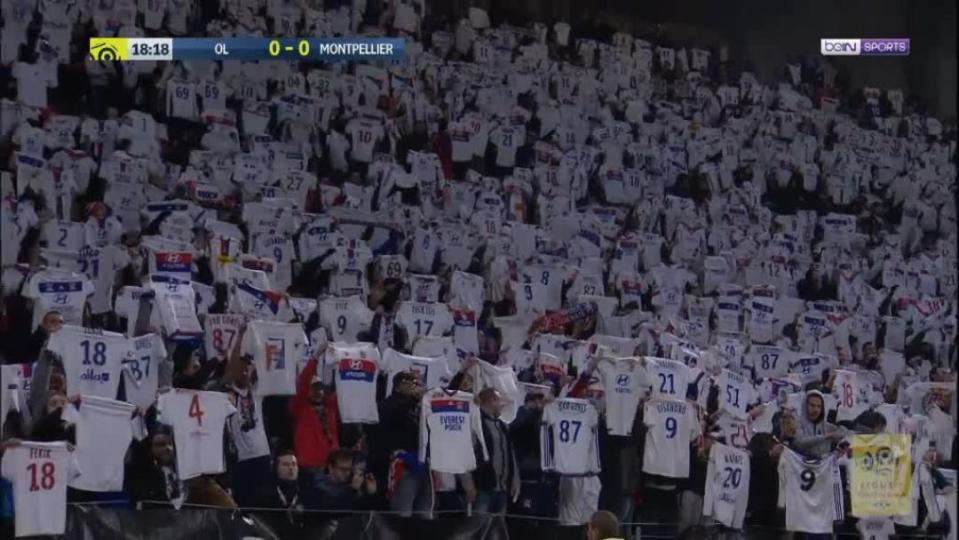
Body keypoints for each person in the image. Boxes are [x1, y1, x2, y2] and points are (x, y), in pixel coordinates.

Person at [289, 346, 340, 479]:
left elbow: (344, 387)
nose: (317, 392)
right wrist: (315, 359)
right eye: (313, 389)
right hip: (310, 467)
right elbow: (303, 382)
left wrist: (342, 362)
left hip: (333, 466)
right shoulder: (299, 407)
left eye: (320, 388)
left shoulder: (330, 407)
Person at [472, 387, 520, 514]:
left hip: (502, 488)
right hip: (482, 487)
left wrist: (515, 478)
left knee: (498, 528)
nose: (502, 405)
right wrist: (468, 484)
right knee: (478, 526)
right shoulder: (476, 423)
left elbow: (511, 453)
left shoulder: (503, 426)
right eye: (499, 401)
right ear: (491, 401)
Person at [306, 448, 377, 512]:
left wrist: (371, 493)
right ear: (330, 467)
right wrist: (353, 490)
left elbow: (362, 511)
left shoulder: (349, 485)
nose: (347, 473)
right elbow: (335, 511)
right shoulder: (318, 488)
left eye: (349, 469)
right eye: (343, 469)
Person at [255, 449, 306, 539]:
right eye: (285, 465)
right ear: (276, 468)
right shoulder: (265, 494)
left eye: (294, 464)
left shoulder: (306, 492)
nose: (291, 468)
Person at [793, 389, 844, 457]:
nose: (816, 410)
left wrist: (839, 448)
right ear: (805, 406)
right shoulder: (795, 423)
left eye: (819, 406)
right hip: (801, 464)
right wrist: (826, 436)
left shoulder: (827, 426)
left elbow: (844, 435)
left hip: (823, 465)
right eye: (812, 405)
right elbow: (800, 444)